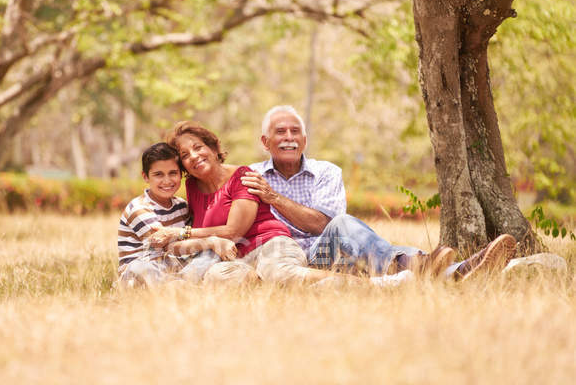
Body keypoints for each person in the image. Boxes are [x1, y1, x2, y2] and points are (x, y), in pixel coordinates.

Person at [241, 105, 516, 278]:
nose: (289, 137)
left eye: (295, 131)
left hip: (331, 255)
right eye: (280, 132)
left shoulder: (326, 172)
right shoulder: (250, 176)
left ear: (304, 139)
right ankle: (439, 266)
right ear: (266, 142)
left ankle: (461, 271)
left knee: (360, 240)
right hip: (291, 262)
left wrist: (274, 197)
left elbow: (322, 225)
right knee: (379, 253)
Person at [149, 121, 362, 286]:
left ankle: (364, 284)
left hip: (270, 245)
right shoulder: (193, 186)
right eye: (185, 155)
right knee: (216, 278)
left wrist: (180, 233)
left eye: (198, 147)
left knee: (279, 272)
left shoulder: (243, 176)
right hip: (236, 259)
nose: (194, 156)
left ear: (214, 148)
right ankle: (268, 285)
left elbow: (233, 231)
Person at [117, 142, 238, 288]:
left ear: (181, 174)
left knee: (211, 254)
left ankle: (181, 284)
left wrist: (211, 245)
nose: (167, 181)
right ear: (146, 177)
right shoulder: (139, 208)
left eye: (173, 173)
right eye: (158, 175)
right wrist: (211, 241)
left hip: (176, 269)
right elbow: (168, 246)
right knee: (140, 268)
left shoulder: (181, 205)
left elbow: (190, 240)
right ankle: (181, 286)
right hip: (146, 269)